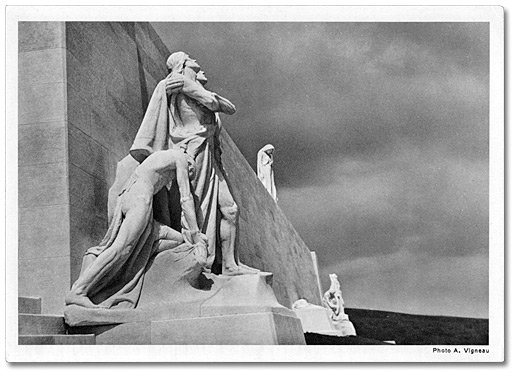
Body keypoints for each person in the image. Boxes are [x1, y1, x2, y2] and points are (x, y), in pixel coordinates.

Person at [130, 52, 258, 276]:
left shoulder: (190, 85)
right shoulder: (179, 82)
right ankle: (199, 262)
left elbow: (222, 106)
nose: (196, 61)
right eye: (191, 59)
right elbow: (217, 104)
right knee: (198, 208)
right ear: (182, 64)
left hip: (209, 156)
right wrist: (206, 94)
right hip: (193, 152)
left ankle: (230, 264)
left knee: (230, 209)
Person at [65, 148, 207, 309]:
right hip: (140, 198)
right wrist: (195, 234)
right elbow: (186, 198)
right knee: (121, 249)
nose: (189, 173)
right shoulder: (180, 157)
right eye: (190, 171)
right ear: (189, 161)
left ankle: (143, 248)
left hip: (132, 196)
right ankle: (78, 291)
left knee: (178, 239)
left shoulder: (161, 157)